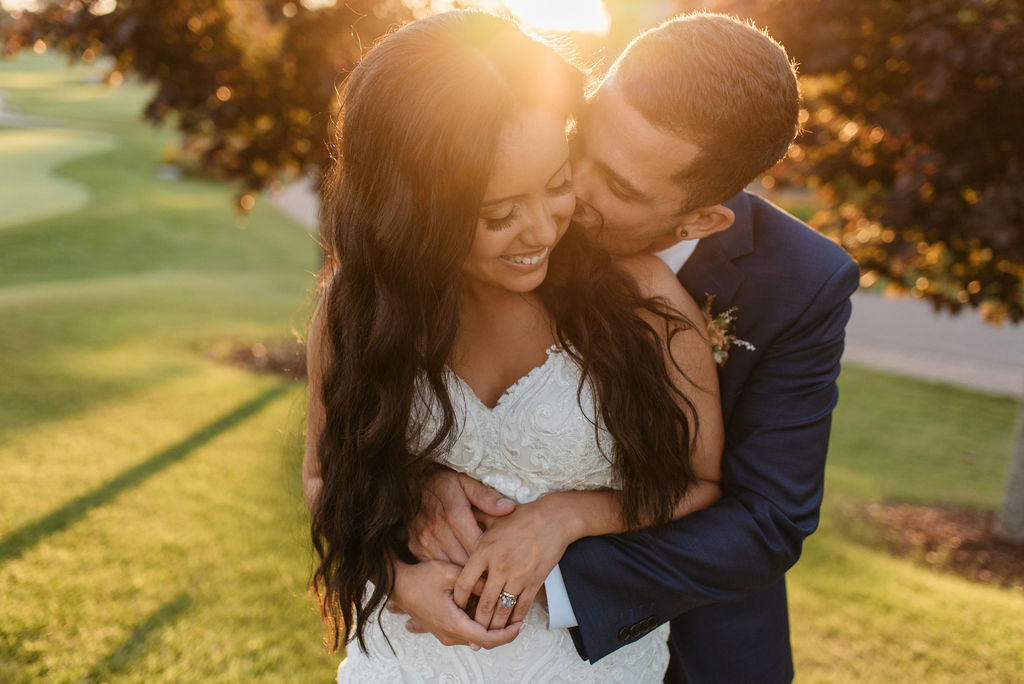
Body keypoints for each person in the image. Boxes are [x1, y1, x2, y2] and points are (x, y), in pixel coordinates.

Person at [403, 12, 861, 684]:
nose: (571, 190)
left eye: (619, 188)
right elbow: (385, 399)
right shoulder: (507, 201)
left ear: (700, 220)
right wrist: (418, 481)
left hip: (695, 651)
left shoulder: (800, 283)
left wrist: (551, 548)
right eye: (582, 137)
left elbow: (767, 519)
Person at [302, 11, 725, 682]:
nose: (542, 230)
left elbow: (702, 483)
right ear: (419, 210)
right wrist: (399, 581)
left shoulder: (641, 300)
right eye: (500, 215)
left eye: (558, 185)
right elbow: (325, 479)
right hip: (409, 662)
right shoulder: (359, 305)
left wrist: (567, 516)